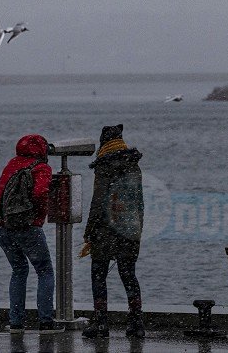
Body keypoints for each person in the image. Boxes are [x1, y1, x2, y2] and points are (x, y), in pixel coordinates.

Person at [0, 133, 63, 334]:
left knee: (19, 270)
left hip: (1, 226)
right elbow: (41, 192)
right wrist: (39, 214)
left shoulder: (11, 165)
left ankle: (16, 323)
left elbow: (1, 195)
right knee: (44, 271)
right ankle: (46, 322)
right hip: (27, 226)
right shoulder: (41, 168)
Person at [82, 124, 145, 338]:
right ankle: (136, 323)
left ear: (103, 142)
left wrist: (89, 231)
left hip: (105, 232)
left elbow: (98, 202)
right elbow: (139, 203)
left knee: (98, 275)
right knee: (128, 275)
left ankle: (101, 323)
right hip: (129, 230)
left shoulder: (104, 165)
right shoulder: (133, 165)